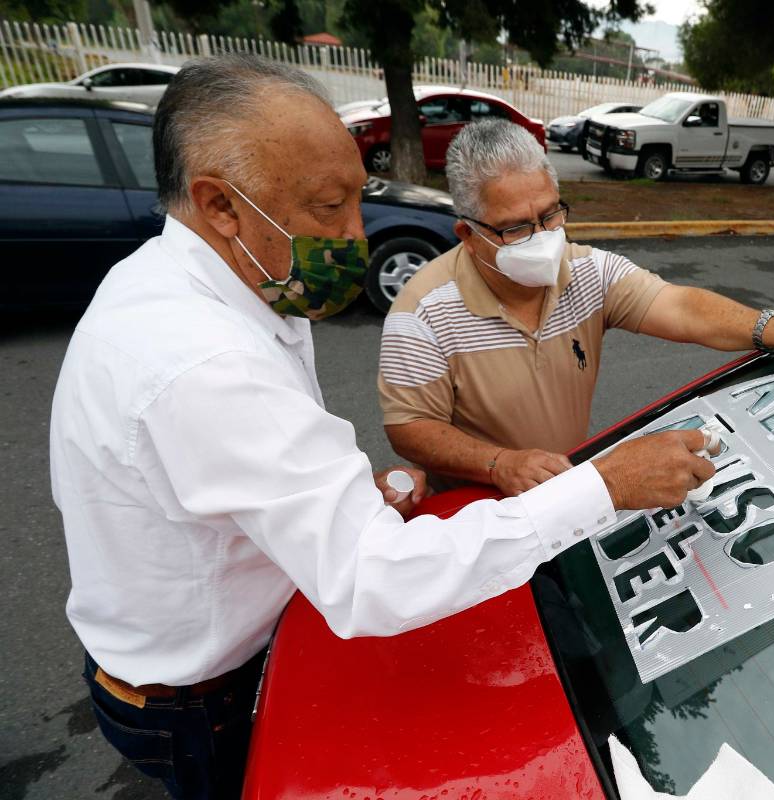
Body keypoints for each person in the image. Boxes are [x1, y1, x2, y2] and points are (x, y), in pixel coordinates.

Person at [49, 55, 713, 800]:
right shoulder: (203, 361)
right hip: (206, 703)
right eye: (329, 208)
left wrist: (339, 502)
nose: (357, 234)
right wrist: (601, 486)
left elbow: (229, 481)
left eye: (357, 199)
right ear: (221, 206)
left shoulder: (216, 284)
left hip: (222, 646)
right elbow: (374, 578)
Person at [378, 119, 774, 495]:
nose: (542, 238)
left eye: (551, 216)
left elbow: (682, 307)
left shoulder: (587, 272)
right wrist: (498, 464)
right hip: (478, 503)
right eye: (517, 227)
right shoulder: (421, 314)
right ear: (469, 236)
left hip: (568, 483)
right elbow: (411, 428)